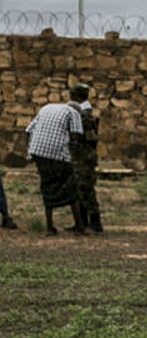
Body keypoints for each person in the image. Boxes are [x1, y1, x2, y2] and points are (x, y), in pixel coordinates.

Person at [23, 92, 85, 234]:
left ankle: (50, 228)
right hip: (57, 154)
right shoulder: (73, 112)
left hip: (38, 152)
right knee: (71, 187)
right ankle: (80, 227)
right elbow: (76, 135)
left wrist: (31, 151)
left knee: (47, 186)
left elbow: (28, 130)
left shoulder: (46, 107)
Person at [68, 85, 102, 235]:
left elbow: (91, 138)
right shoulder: (79, 112)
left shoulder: (84, 114)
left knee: (86, 189)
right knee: (78, 190)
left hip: (84, 157)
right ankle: (81, 223)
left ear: (77, 96)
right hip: (79, 156)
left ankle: (95, 222)